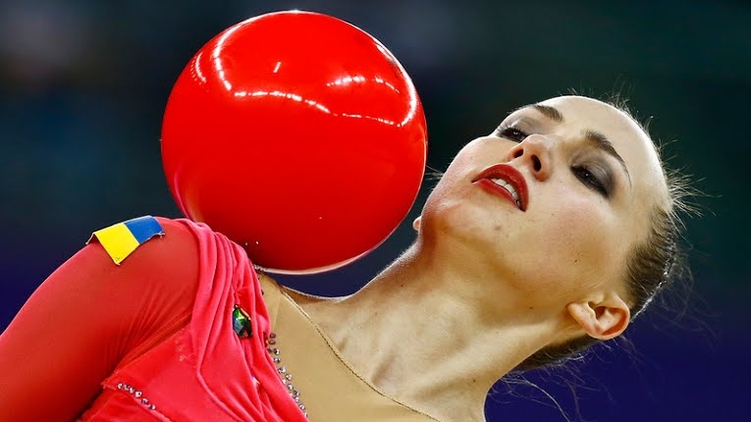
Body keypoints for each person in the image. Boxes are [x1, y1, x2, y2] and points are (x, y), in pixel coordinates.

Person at [0, 95, 690, 422]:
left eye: (590, 175)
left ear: (601, 310)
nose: (530, 150)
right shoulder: (174, 275)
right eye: (515, 129)